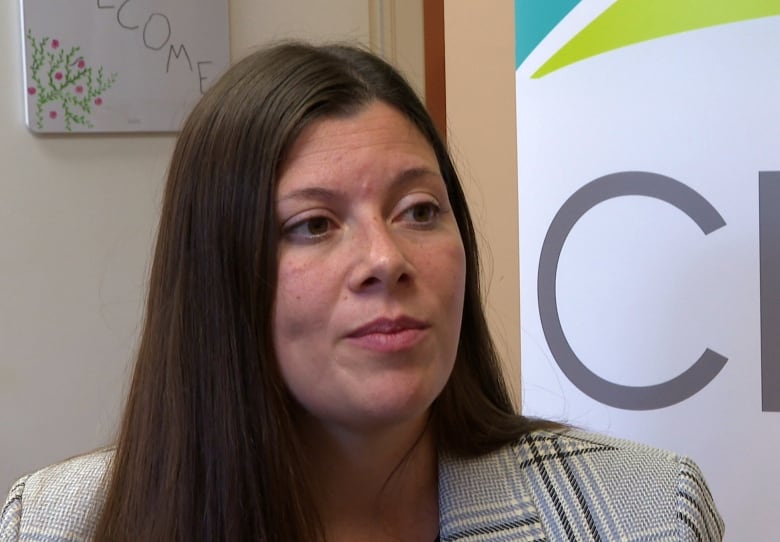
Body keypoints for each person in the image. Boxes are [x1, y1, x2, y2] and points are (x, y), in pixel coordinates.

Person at [0, 42, 723, 542]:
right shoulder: (55, 525)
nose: (386, 259)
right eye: (313, 224)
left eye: (419, 211)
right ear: (220, 277)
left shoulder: (644, 513)